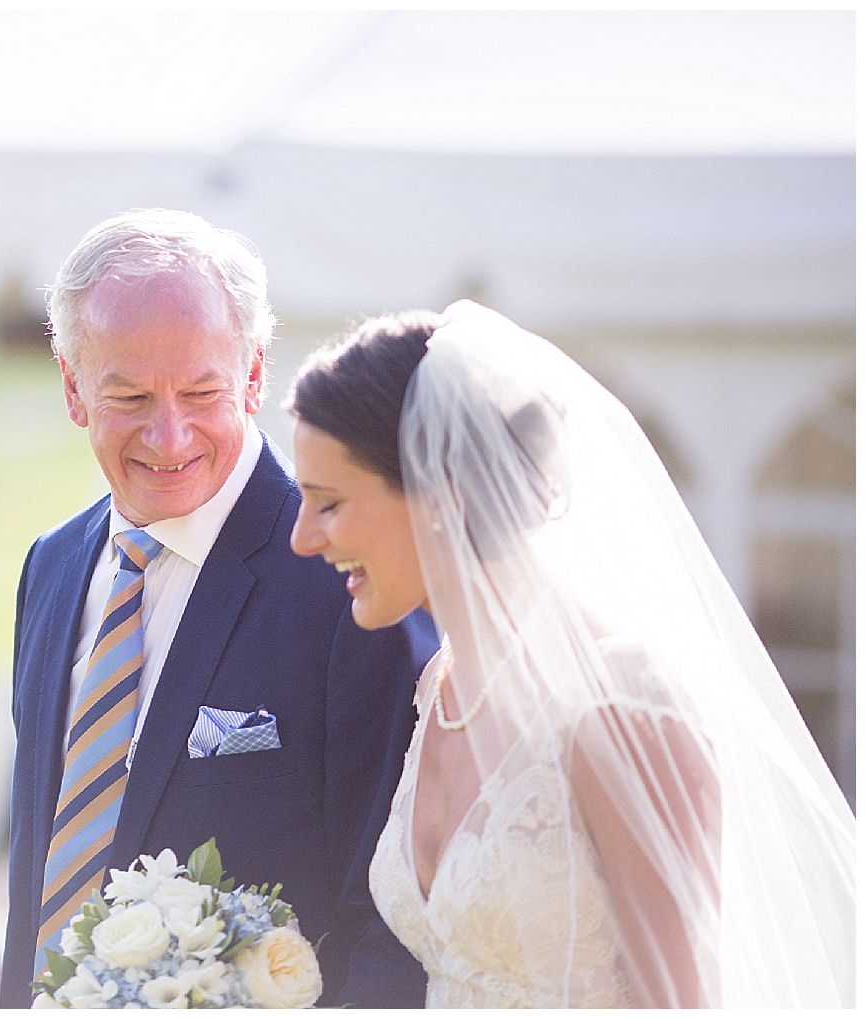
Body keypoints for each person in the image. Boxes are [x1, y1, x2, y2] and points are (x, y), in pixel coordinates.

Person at [286, 299, 856, 1007]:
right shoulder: (442, 683)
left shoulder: (620, 702)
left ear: (442, 490)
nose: (302, 538)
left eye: (330, 502)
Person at [0, 209, 437, 1008]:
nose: (169, 437)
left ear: (255, 374)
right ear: (72, 386)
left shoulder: (349, 580)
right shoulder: (51, 567)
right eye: (128, 395)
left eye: (201, 391)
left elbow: (391, 923)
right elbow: (35, 876)